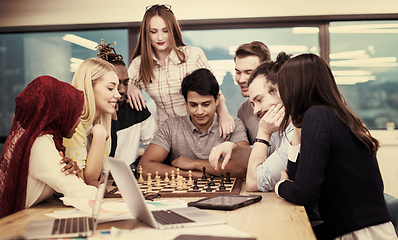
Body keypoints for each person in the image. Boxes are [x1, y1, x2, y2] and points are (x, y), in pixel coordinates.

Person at [276, 53, 397, 239]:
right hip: (372, 230)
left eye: (282, 88)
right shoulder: (338, 115)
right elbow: (298, 179)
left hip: (358, 233)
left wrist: (281, 186)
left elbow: (303, 193)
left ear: (294, 88)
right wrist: (296, 128)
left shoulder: (317, 116)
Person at [127, 4, 235, 140]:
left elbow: (214, 91)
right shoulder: (139, 63)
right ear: (146, 33)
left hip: (201, 132)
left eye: (165, 31)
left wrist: (224, 115)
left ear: (173, 30)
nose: (160, 37)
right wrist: (129, 87)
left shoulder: (193, 55)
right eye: (153, 32)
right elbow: (119, 90)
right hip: (167, 136)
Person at [0, 76, 98, 218]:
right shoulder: (40, 143)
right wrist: (98, 189)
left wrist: (74, 176)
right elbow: (81, 195)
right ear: (60, 112)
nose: (78, 121)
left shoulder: (34, 138)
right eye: (76, 113)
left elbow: (57, 187)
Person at [139, 68, 249, 179]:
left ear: (217, 100)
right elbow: (144, 168)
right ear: (185, 102)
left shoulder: (234, 125)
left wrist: (194, 163)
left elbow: (243, 167)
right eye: (193, 105)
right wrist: (190, 174)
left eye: (206, 104)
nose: (199, 111)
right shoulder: (171, 127)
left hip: (226, 195)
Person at [209, 52, 293, 192]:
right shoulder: (279, 126)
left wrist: (263, 131)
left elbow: (253, 183)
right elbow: (262, 151)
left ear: (282, 92)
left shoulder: (294, 133)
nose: (256, 111)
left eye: (260, 100)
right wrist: (234, 148)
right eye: (253, 104)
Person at [96, 40, 157, 166]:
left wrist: (135, 167)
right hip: (96, 180)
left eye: (126, 83)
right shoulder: (90, 114)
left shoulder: (137, 107)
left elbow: (155, 146)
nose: (122, 90)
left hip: (127, 177)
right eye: (116, 84)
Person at [63, 58, 120, 187]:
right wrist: (99, 135)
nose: (118, 95)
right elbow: (87, 184)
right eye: (111, 88)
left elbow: (100, 179)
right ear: (89, 87)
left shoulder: (101, 124)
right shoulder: (73, 126)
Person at [235, 41, 271, 144]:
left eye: (248, 73)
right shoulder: (243, 110)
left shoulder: (285, 106)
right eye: (238, 72)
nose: (241, 79)